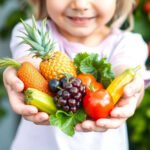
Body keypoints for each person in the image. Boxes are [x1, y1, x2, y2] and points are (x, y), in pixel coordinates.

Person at [3, 0, 150, 150]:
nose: (80, 4)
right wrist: (23, 69)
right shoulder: (32, 32)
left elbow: (126, 71)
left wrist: (129, 90)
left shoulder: (129, 43)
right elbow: (28, 59)